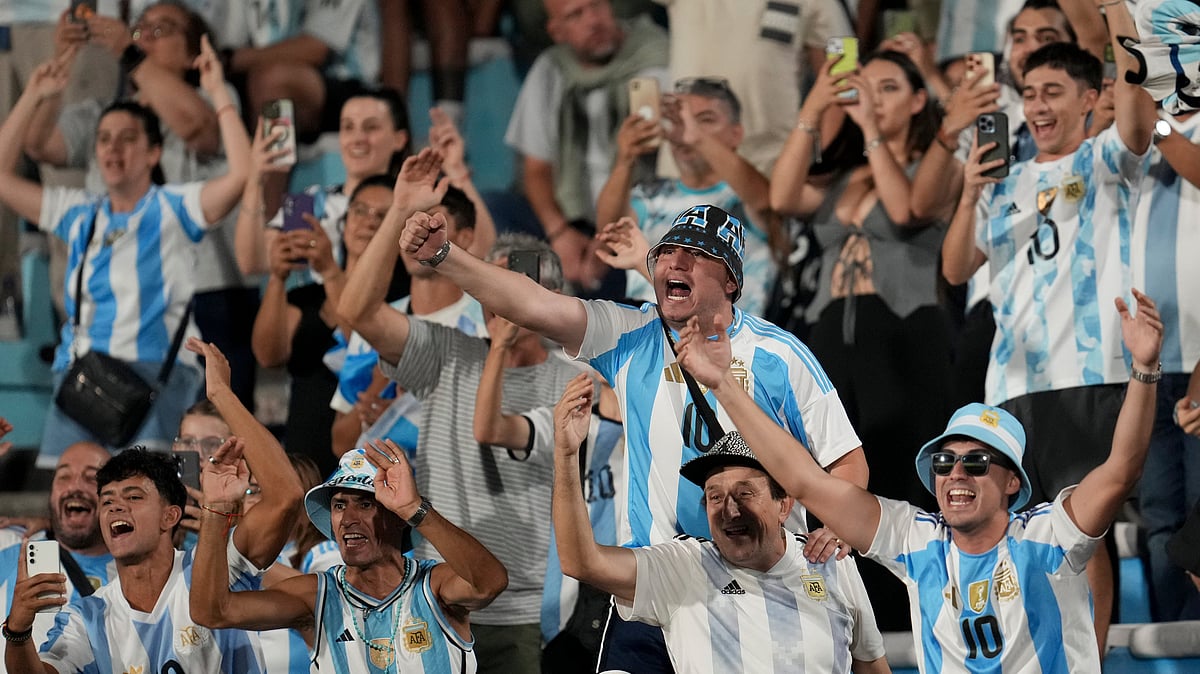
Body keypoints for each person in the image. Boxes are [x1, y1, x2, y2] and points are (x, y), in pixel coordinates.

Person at [399, 202, 868, 672]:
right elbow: (531, 302)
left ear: (731, 281)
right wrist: (444, 254)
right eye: (667, 253)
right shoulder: (631, 333)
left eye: (696, 255)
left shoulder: (781, 355)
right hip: (658, 586)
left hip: (759, 588)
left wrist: (835, 526)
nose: (676, 263)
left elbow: (847, 461)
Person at [671, 287, 1163, 673]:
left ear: (1012, 483)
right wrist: (725, 387)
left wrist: (1143, 370)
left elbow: (1121, 470)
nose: (954, 474)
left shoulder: (1047, 534)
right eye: (944, 461)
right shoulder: (916, 538)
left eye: (975, 463)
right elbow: (803, 481)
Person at [943, 0, 1157, 649]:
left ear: (1093, 98)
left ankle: (1087, 656)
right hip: (1012, 389)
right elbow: (956, 268)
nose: (1037, 105)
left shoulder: (1105, 160)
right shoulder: (1002, 179)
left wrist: (1118, 13)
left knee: (1081, 525)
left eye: (1054, 92)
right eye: (1030, 93)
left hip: (1089, 376)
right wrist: (971, 190)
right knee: (1030, 530)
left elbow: (1141, 118)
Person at [342, 201, 582, 671]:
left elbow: (491, 431)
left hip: (524, 612)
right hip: (435, 596)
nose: (496, 299)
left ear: (549, 294)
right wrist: (396, 205)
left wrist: (501, 349)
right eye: (487, 286)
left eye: (513, 286)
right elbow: (357, 311)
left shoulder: (570, 382)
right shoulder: (447, 351)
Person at [0, 38, 250, 465]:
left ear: (154, 152)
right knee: (75, 502)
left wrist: (220, 93)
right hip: (81, 380)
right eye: (104, 139)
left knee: (156, 503)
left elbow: (242, 174)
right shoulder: (79, 212)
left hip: (156, 380)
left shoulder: (175, 207)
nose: (113, 149)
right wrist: (33, 95)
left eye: (127, 139)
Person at [549, 375, 889, 672]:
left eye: (745, 493)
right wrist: (566, 456)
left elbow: (872, 667)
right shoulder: (684, 567)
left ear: (784, 503)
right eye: (715, 496)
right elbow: (581, 561)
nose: (730, 510)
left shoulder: (832, 565)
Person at [189, 441, 509, 674]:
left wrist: (416, 510)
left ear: (397, 515)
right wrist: (215, 510)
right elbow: (213, 613)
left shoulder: (434, 585)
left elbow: (490, 584)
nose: (348, 518)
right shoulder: (315, 596)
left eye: (365, 504)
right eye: (340, 505)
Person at [472, 334, 624, 668]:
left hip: (637, 604)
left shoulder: (670, 430)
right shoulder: (571, 422)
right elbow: (490, 430)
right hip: (566, 616)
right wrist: (499, 346)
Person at [505, 0, 667, 287]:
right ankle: (518, 325)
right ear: (557, 31)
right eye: (576, 15)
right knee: (495, 210)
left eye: (596, 6)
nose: (593, 20)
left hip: (638, 216)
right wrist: (559, 233)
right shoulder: (551, 69)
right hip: (569, 216)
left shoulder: (653, 56)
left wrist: (605, 241)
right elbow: (536, 170)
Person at [595, 77, 778, 317]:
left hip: (730, 347)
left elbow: (766, 204)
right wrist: (626, 157)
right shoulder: (650, 196)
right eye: (676, 120)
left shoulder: (748, 193)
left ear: (736, 134)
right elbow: (607, 236)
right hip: (652, 343)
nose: (685, 130)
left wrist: (697, 137)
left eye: (705, 120)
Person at [1130, 107, 1200, 621]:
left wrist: (1155, 121)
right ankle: (1170, 646)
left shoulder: (1153, 126)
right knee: (1159, 520)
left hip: (1199, 356)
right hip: (1141, 359)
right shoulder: (1123, 136)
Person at [0, 441, 114, 662]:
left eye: (92, 477)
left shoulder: (133, 573)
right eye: (64, 476)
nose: (75, 486)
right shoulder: (11, 543)